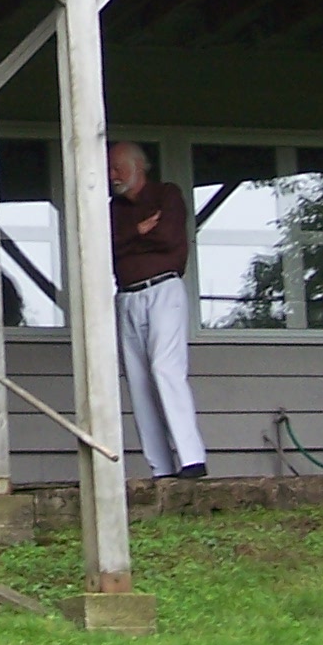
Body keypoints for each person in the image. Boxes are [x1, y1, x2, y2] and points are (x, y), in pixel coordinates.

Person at [108, 140, 207, 480]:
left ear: (137, 166)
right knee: (138, 382)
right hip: (127, 296)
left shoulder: (166, 194)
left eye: (117, 168)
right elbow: (105, 246)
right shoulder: (114, 208)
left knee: (165, 367)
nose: (112, 175)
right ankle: (161, 469)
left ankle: (192, 459)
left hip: (163, 289)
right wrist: (138, 231)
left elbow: (166, 238)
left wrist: (127, 240)